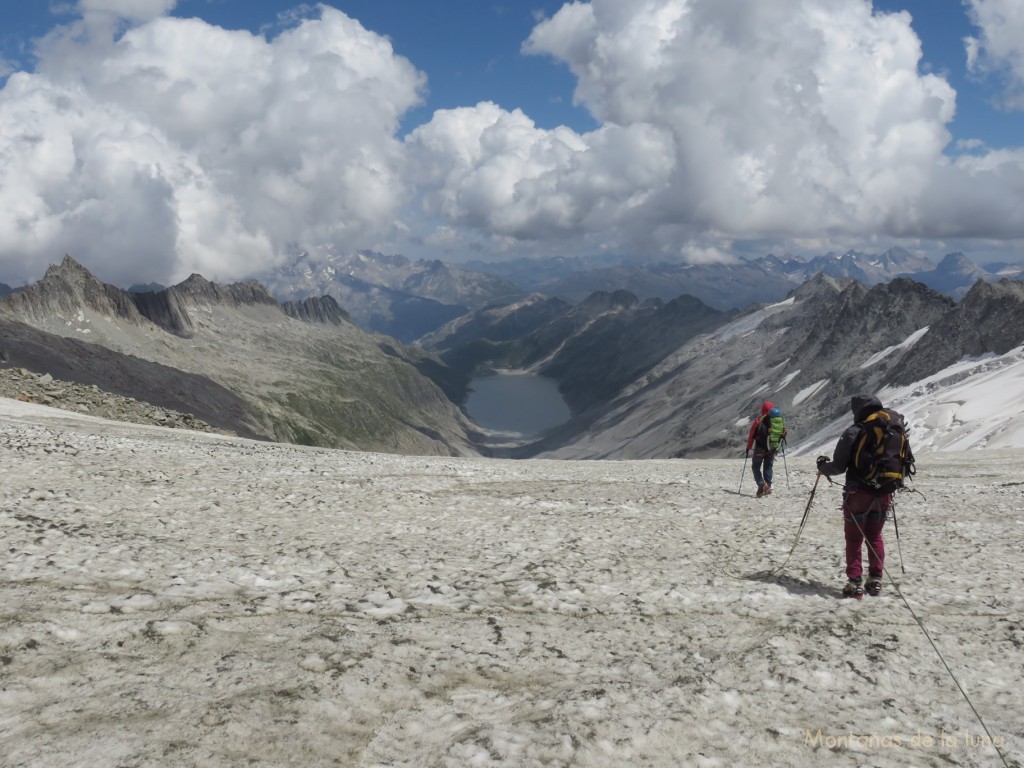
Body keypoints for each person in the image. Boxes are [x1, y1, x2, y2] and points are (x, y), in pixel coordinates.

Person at [816, 394, 901, 598]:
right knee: (874, 536)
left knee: (854, 539)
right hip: (885, 493)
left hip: (858, 493)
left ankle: (855, 584)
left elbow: (837, 466)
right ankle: (875, 581)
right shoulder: (893, 429)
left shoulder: (855, 431)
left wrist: (822, 466)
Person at [745, 401, 787, 498]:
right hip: (771, 450)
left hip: (760, 449)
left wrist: (748, 447)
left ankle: (762, 484)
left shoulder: (759, 421)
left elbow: (752, 435)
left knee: (755, 467)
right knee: (768, 467)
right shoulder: (778, 421)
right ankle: (768, 485)